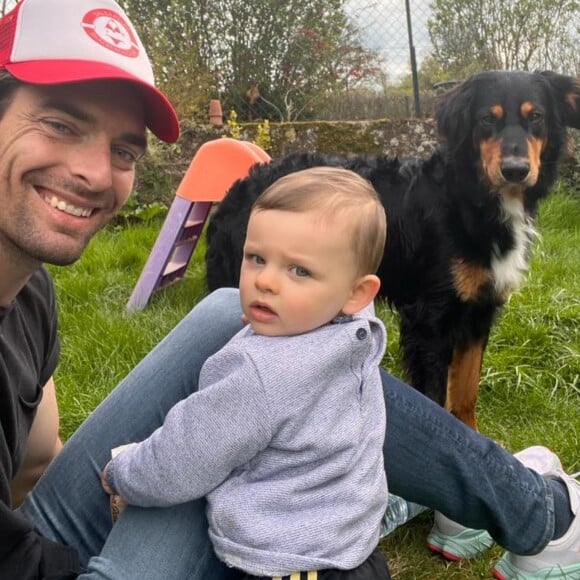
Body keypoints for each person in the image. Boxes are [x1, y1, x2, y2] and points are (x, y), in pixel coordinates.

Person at [0, 0, 578, 578]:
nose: (97, 173)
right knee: (224, 432)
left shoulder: (29, 292)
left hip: (33, 531)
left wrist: (139, 473)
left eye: (124, 149)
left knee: (235, 320)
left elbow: (35, 471)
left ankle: (417, 481)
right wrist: (156, 473)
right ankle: (517, 506)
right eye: (58, 124)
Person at [101, 167, 391, 579]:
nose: (266, 281)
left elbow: (183, 458)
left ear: (355, 292)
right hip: (355, 546)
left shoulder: (257, 376)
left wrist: (122, 473)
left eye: (299, 271)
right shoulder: (356, 326)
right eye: (257, 258)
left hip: (284, 562)